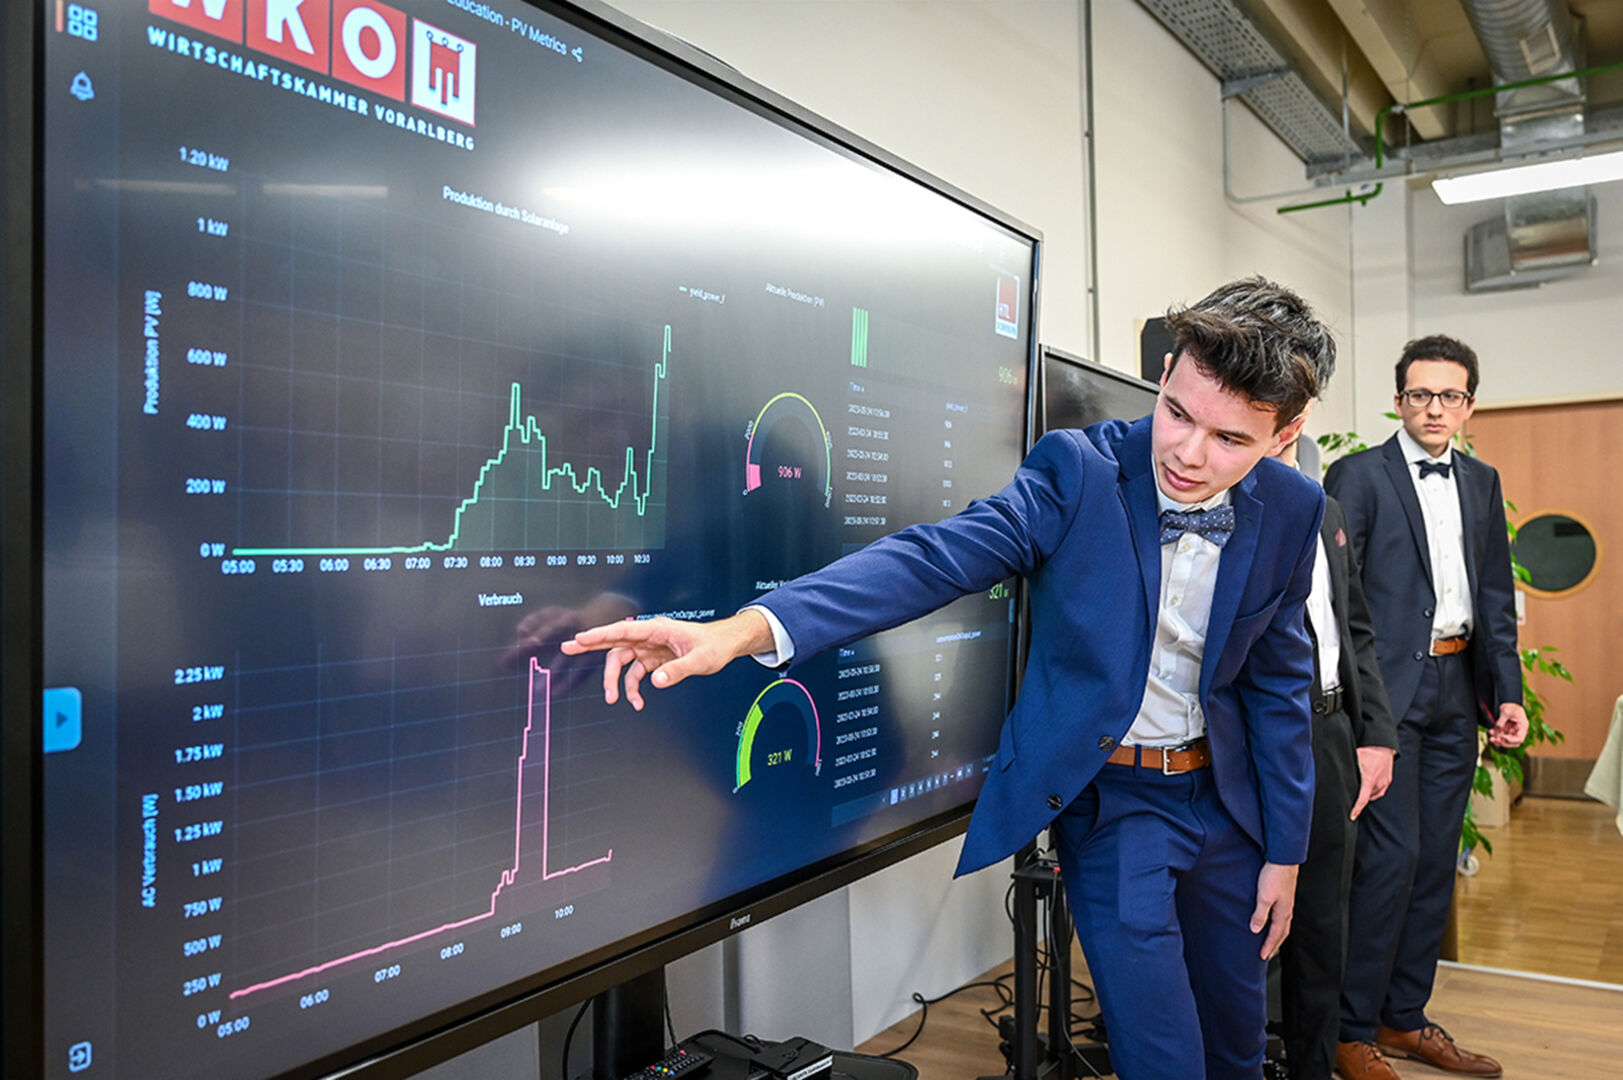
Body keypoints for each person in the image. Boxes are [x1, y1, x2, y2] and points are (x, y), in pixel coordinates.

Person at [564, 277, 1332, 1080]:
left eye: (1230, 440)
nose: (1187, 453)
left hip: (1227, 808)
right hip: (1117, 806)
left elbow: (1277, 682)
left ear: (1285, 434)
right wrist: (745, 629)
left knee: (1237, 1047)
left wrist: (1283, 849)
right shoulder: (1078, 472)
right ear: (1166, 372)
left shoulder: (1291, 507)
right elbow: (932, 556)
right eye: (1176, 413)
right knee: (1164, 1058)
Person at [1325, 336, 1527, 1080]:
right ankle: (1348, 1030)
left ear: (1469, 403)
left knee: (1434, 862)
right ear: (1398, 399)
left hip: (1455, 691)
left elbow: (1495, 596)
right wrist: (1361, 710)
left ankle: (1401, 1018)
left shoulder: (1480, 481)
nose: (1433, 408)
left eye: (1448, 395)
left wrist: (1506, 690)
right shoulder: (1359, 474)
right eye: (1418, 394)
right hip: (1385, 696)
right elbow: (1340, 604)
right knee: (1388, 861)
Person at [1265, 423, 1398, 1080]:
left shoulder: (1327, 510)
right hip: (1255, 740)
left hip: (1330, 735)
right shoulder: (1221, 509)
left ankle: (1313, 1069)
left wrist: (1374, 733)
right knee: (1247, 926)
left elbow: (1356, 632)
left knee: (1321, 924)